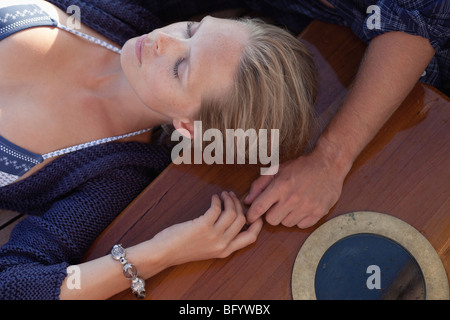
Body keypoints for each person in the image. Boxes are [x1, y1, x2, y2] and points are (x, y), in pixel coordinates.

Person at [0, 0, 317, 299]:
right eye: (192, 30)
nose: (162, 41)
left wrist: (161, 253)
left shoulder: (110, 180)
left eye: (180, 68)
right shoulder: (123, 18)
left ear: (189, 128)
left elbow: (14, 286)